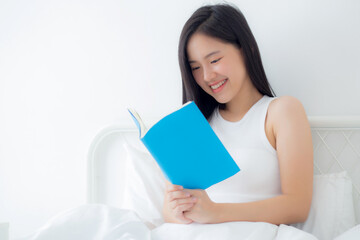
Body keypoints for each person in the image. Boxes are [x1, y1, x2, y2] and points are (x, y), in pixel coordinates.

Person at [162, 3, 313, 225]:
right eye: (195, 67)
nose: (207, 76)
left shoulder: (281, 112)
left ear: (246, 49)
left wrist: (216, 212)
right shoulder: (193, 124)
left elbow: (297, 206)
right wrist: (175, 211)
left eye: (214, 60)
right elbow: (167, 212)